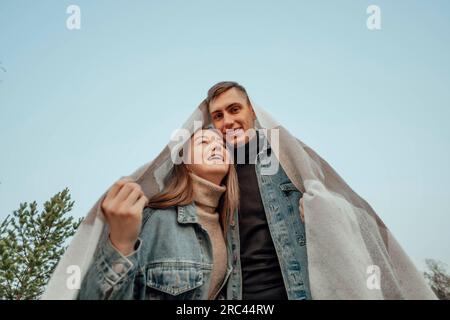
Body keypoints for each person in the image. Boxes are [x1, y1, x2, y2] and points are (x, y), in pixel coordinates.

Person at [78, 129, 239, 300]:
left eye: (222, 144)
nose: (216, 147)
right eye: (203, 142)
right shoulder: (154, 219)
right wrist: (121, 244)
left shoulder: (231, 229)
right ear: (183, 160)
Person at [206, 81, 310, 300]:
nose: (227, 121)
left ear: (252, 110)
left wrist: (318, 210)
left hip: (297, 292)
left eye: (234, 109)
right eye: (218, 116)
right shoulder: (212, 172)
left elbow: (336, 201)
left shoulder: (288, 159)